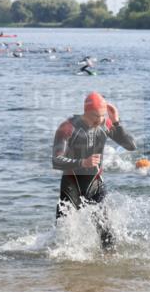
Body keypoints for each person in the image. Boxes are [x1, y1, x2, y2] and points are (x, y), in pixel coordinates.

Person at [52, 92, 136, 249]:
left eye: (104, 115)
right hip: (71, 184)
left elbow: (131, 146)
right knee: (63, 238)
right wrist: (83, 162)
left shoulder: (105, 124)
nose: (102, 119)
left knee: (107, 235)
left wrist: (117, 122)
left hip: (95, 183)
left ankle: (106, 268)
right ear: (87, 113)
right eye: (98, 116)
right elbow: (56, 161)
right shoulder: (67, 127)